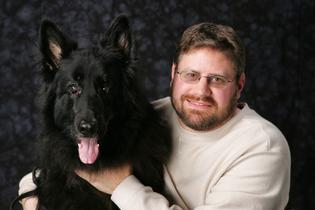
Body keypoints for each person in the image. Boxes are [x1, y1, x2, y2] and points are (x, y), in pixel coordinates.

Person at [19, 21, 291, 210]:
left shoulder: (261, 147)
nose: (201, 91)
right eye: (191, 75)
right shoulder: (154, 113)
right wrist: (31, 197)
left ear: (240, 85)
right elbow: (50, 170)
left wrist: (121, 185)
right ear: (174, 75)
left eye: (217, 79)